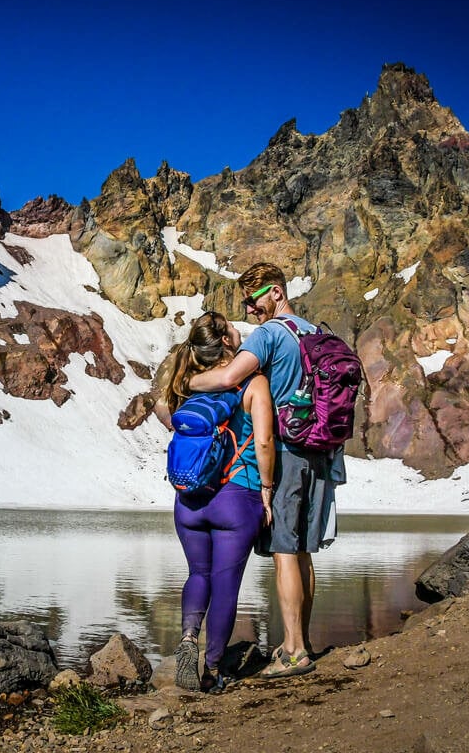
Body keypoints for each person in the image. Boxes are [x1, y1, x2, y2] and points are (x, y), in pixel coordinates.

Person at [189, 262, 345, 679]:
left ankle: (295, 652)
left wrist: (191, 383)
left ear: (276, 293)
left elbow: (229, 377)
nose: (250, 309)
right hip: (321, 453)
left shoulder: (271, 334)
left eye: (254, 299)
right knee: (303, 552)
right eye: (245, 301)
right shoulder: (313, 331)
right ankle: (301, 640)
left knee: (284, 552)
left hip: (289, 453)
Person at [155, 311, 276, 692]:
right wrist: (268, 492)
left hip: (189, 499)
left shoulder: (189, 386)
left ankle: (189, 639)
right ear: (226, 341)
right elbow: (264, 442)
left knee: (198, 574)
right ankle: (212, 670)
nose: (240, 330)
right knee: (226, 586)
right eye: (233, 327)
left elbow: (165, 413)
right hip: (237, 499)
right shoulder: (253, 383)